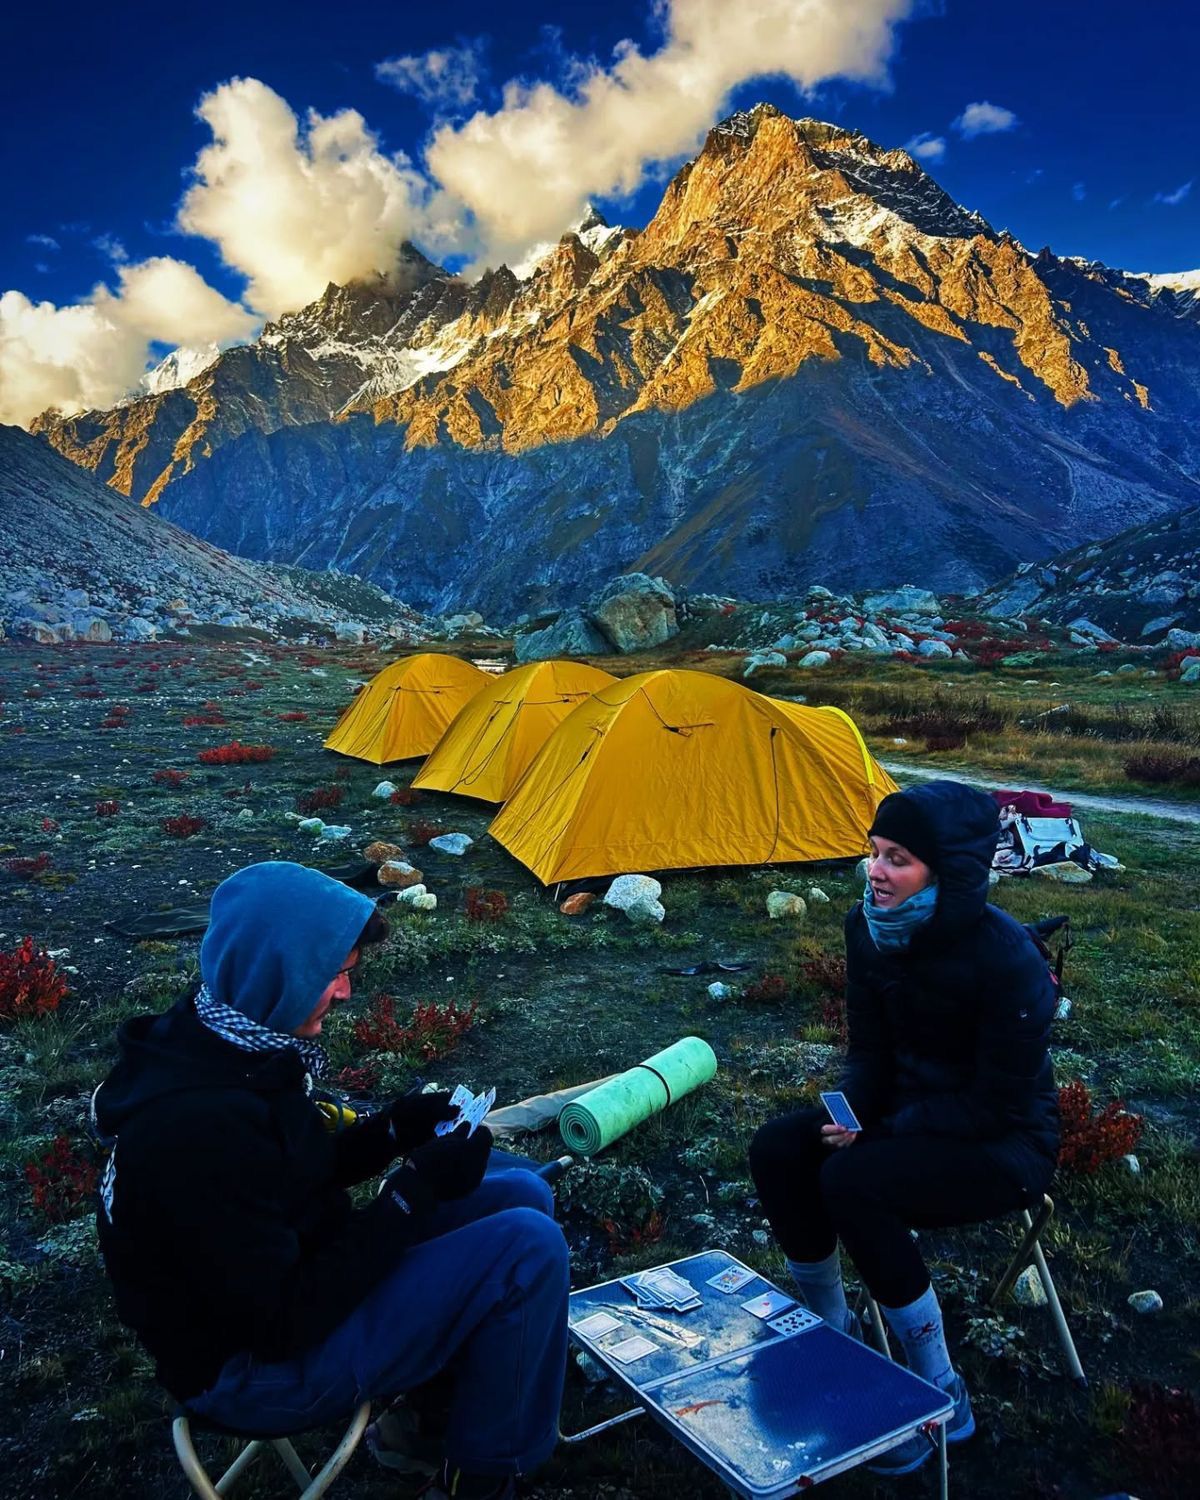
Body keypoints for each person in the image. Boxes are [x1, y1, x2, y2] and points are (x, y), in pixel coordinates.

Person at [94, 861, 569, 1500]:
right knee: (526, 1250)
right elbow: (283, 1322)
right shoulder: (198, 1128)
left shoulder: (228, 1040)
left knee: (522, 1194)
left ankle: (426, 1427)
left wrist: (395, 1132)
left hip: (291, 1281)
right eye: (336, 974)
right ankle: (482, 1480)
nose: (347, 993)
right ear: (279, 973)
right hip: (248, 1371)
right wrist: (411, 1194)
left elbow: (288, 1176)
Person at [748, 781, 1058, 1476]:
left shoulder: (1007, 958)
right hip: (904, 1114)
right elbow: (870, 1054)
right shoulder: (867, 928)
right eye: (874, 853)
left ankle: (941, 1389)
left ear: (945, 873)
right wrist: (850, 1112)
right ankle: (834, 1331)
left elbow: (1000, 1105)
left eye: (898, 860)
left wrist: (883, 1135)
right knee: (779, 1148)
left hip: (1005, 1144)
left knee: (854, 1182)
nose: (875, 872)